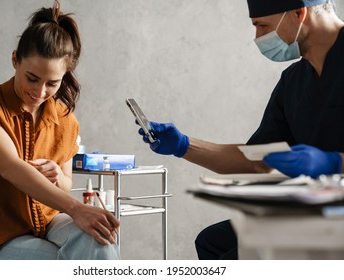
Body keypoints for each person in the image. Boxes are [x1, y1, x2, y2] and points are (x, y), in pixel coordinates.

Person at [137, 0, 344, 259]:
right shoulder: (294, 81)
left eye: (262, 25)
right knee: (213, 242)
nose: (258, 37)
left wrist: (333, 162)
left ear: (298, 13)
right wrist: (184, 145)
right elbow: (258, 161)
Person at [0, 0, 120, 260]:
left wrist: (57, 176)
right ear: (15, 60)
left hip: (46, 226)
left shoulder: (65, 118)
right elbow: (10, 167)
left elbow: (66, 184)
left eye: (52, 83)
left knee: (99, 240)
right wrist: (77, 209)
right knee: (60, 261)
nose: (39, 92)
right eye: (32, 78)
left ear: (64, 77)